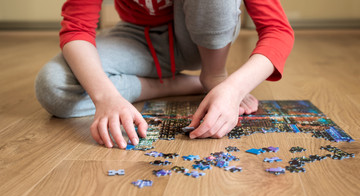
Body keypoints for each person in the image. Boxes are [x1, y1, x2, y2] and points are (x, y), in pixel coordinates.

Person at [35, 0, 294, 149]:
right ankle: (183, 84)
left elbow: (277, 30)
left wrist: (232, 88)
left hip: (203, 42)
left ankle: (215, 77)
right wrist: (105, 98)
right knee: (55, 87)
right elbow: (77, 27)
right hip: (137, 37)